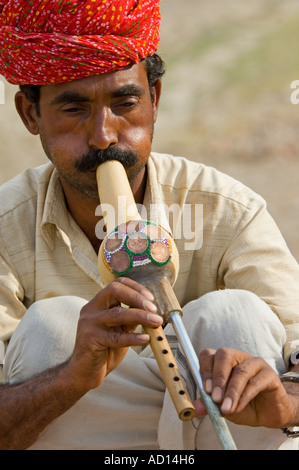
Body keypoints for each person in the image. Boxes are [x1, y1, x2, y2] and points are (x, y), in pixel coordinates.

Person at [0, 0, 299, 451]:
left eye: (125, 103)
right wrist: (69, 377)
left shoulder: (227, 208)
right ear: (30, 114)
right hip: (88, 432)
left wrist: (287, 399)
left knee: (234, 314)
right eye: (74, 109)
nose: (104, 134)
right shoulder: (6, 226)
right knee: (52, 326)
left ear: (154, 99)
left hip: (214, 432)